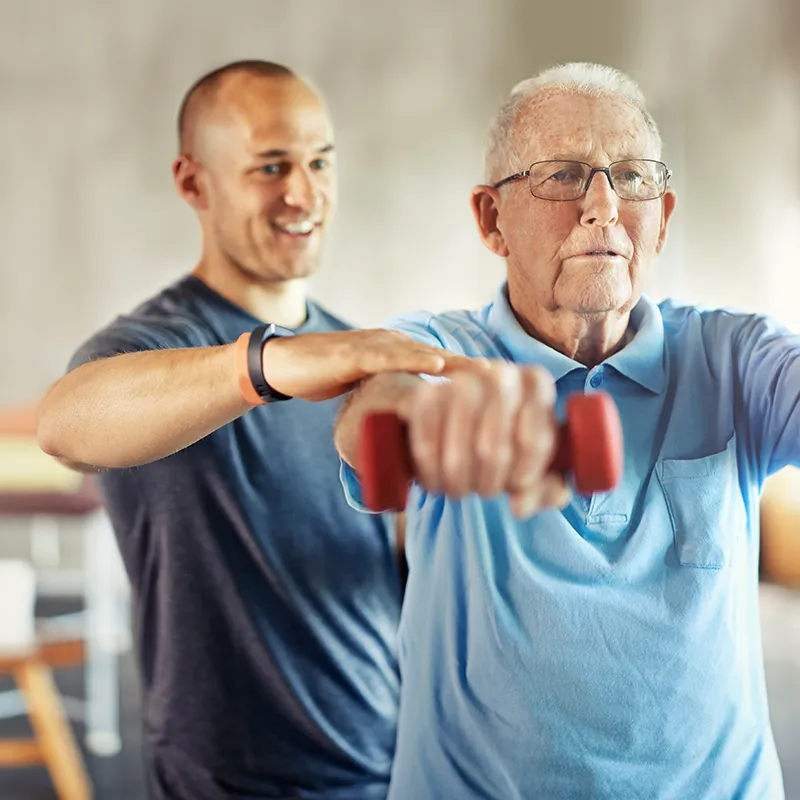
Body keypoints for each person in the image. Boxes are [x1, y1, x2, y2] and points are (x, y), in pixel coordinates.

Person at [334, 62, 792, 799]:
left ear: (664, 216)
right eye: (565, 175)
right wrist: (416, 417)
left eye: (631, 177)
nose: (604, 206)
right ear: (491, 220)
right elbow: (378, 402)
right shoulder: (440, 348)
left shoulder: (738, 359)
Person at [36, 60, 472, 800]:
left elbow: (377, 569)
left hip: (395, 769)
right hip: (236, 784)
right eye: (271, 167)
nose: (302, 193)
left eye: (318, 161)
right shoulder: (149, 347)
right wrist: (266, 367)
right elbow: (65, 424)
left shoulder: (356, 353)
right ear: (193, 183)